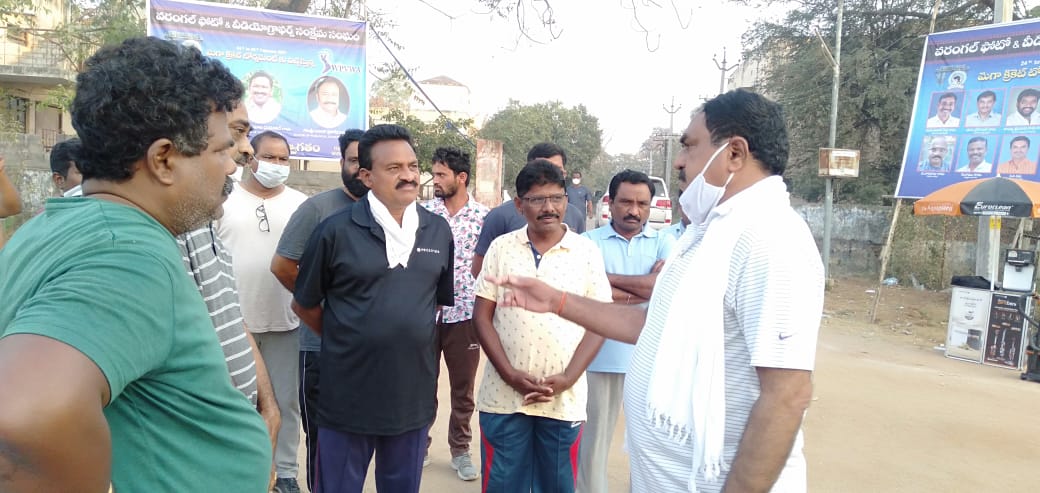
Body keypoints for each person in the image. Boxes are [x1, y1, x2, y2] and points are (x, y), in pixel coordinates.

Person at [485, 89, 825, 493]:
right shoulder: (709, 233)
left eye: (689, 146)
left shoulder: (770, 238)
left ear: (735, 153)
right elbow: (653, 322)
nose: (680, 161)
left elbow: (787, 394)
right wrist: (558, 301)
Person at [0, 36, 271, 491]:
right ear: (163, 159)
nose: (231, 166)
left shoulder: (56, 224)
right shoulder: (127, 256)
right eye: (221, 150)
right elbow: (23, 414)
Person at [292, 124, 454, 493]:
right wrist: (350, 337)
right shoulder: (335, 231)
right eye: (394, 168)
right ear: (366, 176)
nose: (409, 175)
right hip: (347, 396)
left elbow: (433, 306)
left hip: (410, 397)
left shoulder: (437, 231)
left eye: (412, 166)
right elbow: (304, 304)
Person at [473, 159, 611, 493]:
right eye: (537, 199)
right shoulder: (501, 247)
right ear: (519, 204)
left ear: (567, 200)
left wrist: (568, 378)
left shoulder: (586, 252)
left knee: (559, 486)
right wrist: (508, 374)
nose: (549, 207)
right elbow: (481, 316)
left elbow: (600, 322)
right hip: (503, 397)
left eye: (557, 197)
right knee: (503, 485)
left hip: (563, 400)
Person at [176, 99, 281, 481]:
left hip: (230, 448)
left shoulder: (202, 219)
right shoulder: (131, 245)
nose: (246, 152)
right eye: (233, 136)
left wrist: (266, 407)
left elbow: (230, 319)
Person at [270, 128, 367, 491]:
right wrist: (321, 310)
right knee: (322, 437)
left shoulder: (389, 213)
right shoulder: (316, 209)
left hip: (368, 350)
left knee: (358, 436)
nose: (360, 168)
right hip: (321, 347)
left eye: (366, 161)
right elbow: (282, 266)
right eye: (354, 160)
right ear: (342, 162)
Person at [217, 130, 308, 493]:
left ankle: (285, 473)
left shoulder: (302, 204)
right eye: (270, 157)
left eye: (284, 159)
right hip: (230, 323)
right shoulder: (223, 199)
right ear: (250, 157)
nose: (277, 165)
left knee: (285, 401)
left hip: (285, 320)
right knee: (235, 403)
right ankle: (240, 474)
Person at [577, 169, 674, 493]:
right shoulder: (588, 242)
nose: (634, 211)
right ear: (610, 203)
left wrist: (609, 279)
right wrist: (644, 289)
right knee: (593, 448)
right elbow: (585, 292)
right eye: (626, 202)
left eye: (642, 204)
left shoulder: (665, 240)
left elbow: (665, 288)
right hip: (598, 357)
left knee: (648, 447)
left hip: (650, 360)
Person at [419, 146, 490, 481]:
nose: (435, 180)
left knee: (463, 389)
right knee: (421, 383)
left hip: (465, 315)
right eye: (434, 174)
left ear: (461, 178)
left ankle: (460, 451)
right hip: (424, 314)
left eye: (441, 175)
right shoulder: (422, 214)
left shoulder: (484, 218)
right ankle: (418, 445)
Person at [471, 142, 586, 278]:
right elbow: (480, 271)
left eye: (556, 170)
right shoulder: (499, 217)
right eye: (541, 169)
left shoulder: (576, 217)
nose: (548, 208)